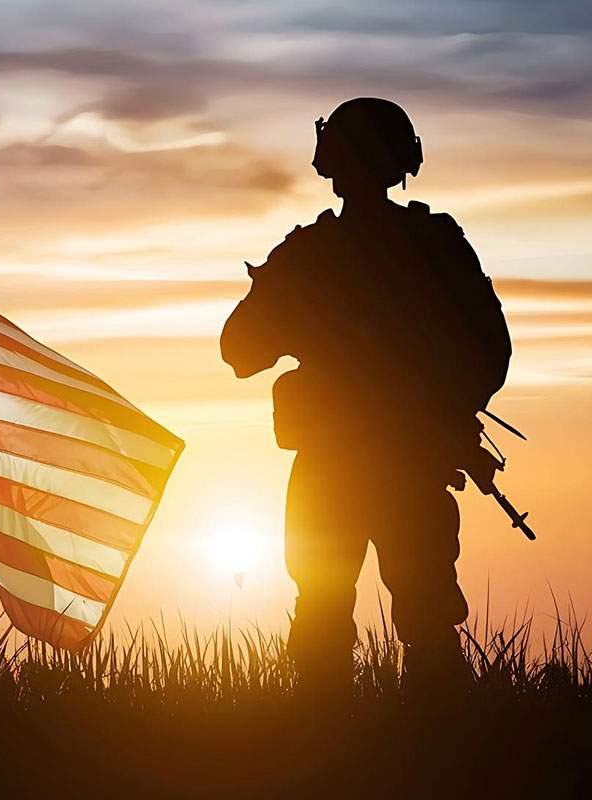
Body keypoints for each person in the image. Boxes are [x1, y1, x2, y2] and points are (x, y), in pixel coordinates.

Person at [220, 98, 511, 694]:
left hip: (339, 461)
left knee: (328, 611)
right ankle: (434, 746)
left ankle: (329, 747)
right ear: (401, 160)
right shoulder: (434, 243)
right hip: (408, 460)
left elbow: (239, 352)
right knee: (424, 612)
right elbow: (492, 353)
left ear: (332, 161)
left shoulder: (310, 253)